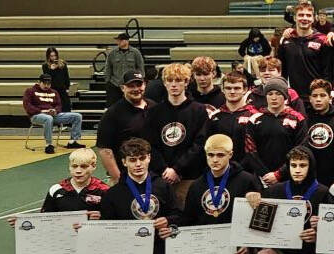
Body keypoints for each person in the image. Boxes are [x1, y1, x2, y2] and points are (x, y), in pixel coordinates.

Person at [6, 149, 109, 254]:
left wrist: (101, 218)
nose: (78, 171)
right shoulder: (57, 190)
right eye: (74, 166)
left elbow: (115, 222)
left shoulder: (103, 190)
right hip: (71, 251)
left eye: (83, 166)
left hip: (99, 247)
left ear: (93, 166)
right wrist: (23, 224)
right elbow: (45, 221)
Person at [173, 135, 259, 254]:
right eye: (210, 155)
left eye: (220, 155)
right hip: (208, 252)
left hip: (236, 251)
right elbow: (188, 219)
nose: (215, 160)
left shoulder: (246, 181)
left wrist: (249, 246)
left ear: (230, 155)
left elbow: (258, 219)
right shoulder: (197, 186)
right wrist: (172, 228)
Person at [101, 138, 180, 254]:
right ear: (124, 162)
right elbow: (107, 228)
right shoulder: (114, 194)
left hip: (161, 244)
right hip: (130, 250)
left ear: (149, 158)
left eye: (141, 158)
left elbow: (178, 214)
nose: (137, 164)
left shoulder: (162, 185)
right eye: (132, 159)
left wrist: (167, 221)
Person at [246, 146, 329, 254]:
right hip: (278, 253)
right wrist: (253, 196)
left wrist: (318, 234)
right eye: (293, 165)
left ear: (311, 167)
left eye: (302, 165)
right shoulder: (277, 190)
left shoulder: (323, 193)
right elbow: (257, 209)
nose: (297, 170)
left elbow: (333, 231)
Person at [144, 63, 208, 210]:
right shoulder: (154, 112)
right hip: (161, 177)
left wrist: (178, 169)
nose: (174, 85)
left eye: (178, 80)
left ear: (186, 82)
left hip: (189, 177)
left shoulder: (198, 110)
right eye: (170, 80)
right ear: (164, 83)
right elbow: (149, 144)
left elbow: (200, 144)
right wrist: (164, 170)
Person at [244, 77, 307, 186]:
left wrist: (279, 174)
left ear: (285, 96)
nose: (274, 97)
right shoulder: (254, 119)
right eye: (270, 94)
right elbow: (250, 150)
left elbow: (300, 149)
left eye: (278, 93)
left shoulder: (297, 119)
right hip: (262, 179)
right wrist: (265, 174)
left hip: (290, 177)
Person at [96, 70, 153, 184]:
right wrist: (119, 179)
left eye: (139, 84)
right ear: (123, 88)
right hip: (126, 176)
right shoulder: (113, 113)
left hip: (153, 175)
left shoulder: (154, 107)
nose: (136, 89)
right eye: (131, 86)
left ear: (145, 85)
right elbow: (104, 150)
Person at [22, 73, 86, 154]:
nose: (46, 85)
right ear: (39, 82)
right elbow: (27, 106)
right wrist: (41, 111)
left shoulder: (54, 92)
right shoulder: (30, 91)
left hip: (53, 115)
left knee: (77, 116)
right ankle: (49, 144)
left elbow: (59, 105)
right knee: (48, 119)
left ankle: (73, 141)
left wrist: (55, 110)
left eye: (48, 84)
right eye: (44, 83)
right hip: (36, 115)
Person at [279, 2, 332, 97]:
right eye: (301, 15)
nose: (304, 18)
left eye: (308, 15)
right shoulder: (286, 41)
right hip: (294, 97)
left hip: (316, 97)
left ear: (313, 18)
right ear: (295, 18)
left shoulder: (322, 41)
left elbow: (327, 72)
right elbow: (282, 72)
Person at [205, 72, 258, 167]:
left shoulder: (255, 116)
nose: (232, 91)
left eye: (237, 88)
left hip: (248, 172)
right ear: (223, 89)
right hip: (220, 171)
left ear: (245, 90)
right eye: (228, 88)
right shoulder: (214, 116)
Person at [305, 79, 334, 186]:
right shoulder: (304, 118)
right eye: (315, 96)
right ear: (310, 99)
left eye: (322, 95)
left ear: (330, 98)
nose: (318, 99)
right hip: (308, 173)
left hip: (333, 175)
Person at [105, 32, 145, 107]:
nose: (118, 42)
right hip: (115, 84)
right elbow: (108, 68)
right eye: (117, 40)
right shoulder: (112, 53)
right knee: (113, 106)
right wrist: (108, 81)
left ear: (126, 41)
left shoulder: (135, 52)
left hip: (130, 84)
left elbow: (140, 67)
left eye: (120, 40)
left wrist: (140, 80)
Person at [42, 47, 72, 111]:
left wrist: (67, 87)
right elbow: (47, 78)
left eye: (55, 55)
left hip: (62, 89)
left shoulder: (62, 64)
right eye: (51, 56)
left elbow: (66, 76)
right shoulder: (45, 66)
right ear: (48, 56)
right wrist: (51, 70)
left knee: (66, 107)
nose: (54, 58)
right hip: (52, 90)